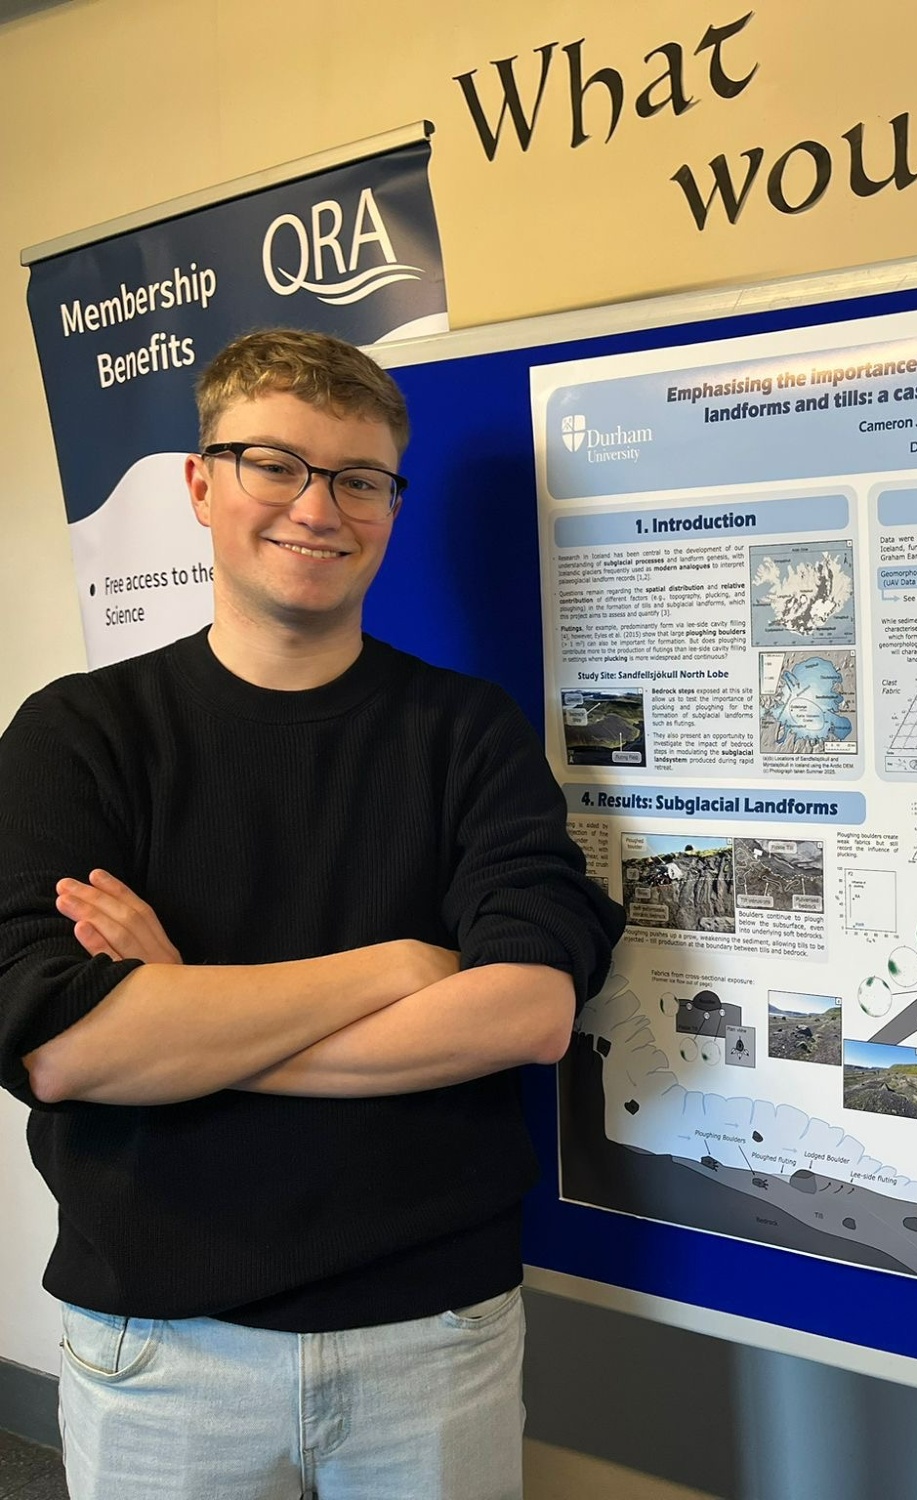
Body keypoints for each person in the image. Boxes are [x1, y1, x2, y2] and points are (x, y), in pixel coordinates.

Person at [0, 328, 624, 1499]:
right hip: (160, 1345)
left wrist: (179, 1014)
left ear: (390, 504)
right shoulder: (77, 737)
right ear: (202, 485)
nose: (317, 509)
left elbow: (530, 1012)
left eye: (358, 479)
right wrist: (395, 966)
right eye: (274, 465)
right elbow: (62, 1050)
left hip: (431, 1335)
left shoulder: (468, 735)